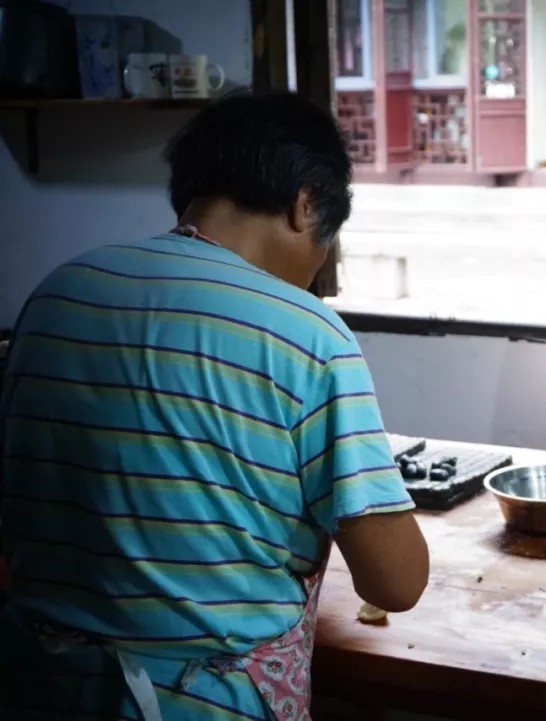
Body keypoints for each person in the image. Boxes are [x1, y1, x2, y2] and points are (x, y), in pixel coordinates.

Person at [0, 92, 430, 721]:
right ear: (306, 202)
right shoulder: (307, 334)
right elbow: (395, 583)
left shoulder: (57, 294)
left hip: (38, 687)